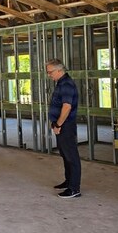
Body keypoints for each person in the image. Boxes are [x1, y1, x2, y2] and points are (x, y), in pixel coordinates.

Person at [46, 59, 81, 198]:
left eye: (50, 72)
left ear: (59, 70)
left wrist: (59, 124)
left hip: (65, 125)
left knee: (71, 156)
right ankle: (68, 181)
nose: (49, 75)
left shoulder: (66, 84)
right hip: (60, 125)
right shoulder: (61, 83)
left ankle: (74, 189)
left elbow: (67, 107)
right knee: (65, 155)